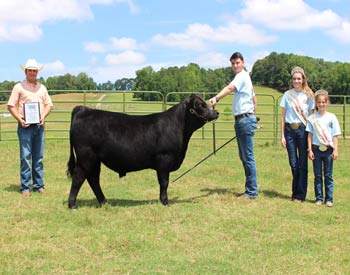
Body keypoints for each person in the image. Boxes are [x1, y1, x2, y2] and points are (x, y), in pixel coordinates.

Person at [209, 52, 258, 199]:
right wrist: (253, 115)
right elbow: (254, 98)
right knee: (244, 156)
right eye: (233, 63)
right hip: (243, 119)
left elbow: (230, 88)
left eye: (237, 62)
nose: (235, 65)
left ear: (242, 62)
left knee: (247, 156)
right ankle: (250, 190)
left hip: (244, 120)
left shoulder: (242, 76)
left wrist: (216, 98)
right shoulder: (246, 76)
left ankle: (251, 191)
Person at [7, 59, 53, 197]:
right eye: (30, 70)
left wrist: (43, 116)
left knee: (38, 157)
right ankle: (25, 187)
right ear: (26, 72)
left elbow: (49, 105)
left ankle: (39, 185)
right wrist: (20, 119)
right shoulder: (18, 87)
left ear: (37, 72)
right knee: (26, 157)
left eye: (34, 70)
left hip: (39, 126)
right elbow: (10, 105)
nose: (32, 73)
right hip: (25, 126)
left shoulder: (42, 88)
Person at [280, 66, 314, 202]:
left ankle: (299, 194)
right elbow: (283, 116)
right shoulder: (287, 95)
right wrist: (282, 135)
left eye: (299, 78)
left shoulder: (309, 95)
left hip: (303, 130)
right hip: (289, 131)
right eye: (294, 79)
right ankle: (295, 191)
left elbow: (311, 117)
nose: (296, 81)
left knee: (302, 164)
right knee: (293, 163)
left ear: (303, 79)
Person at [306, 90, 340, 207]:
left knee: (328, 175)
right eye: (319, 102)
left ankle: (329, 199)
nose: (321, 104)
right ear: (316, 103)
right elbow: (309, 135)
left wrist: (336, 149)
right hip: (316, 149)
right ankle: (319, 198)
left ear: (327, 103)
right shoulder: (312, 118)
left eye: (323, 102)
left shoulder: (332, 117)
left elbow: (335, 135)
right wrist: (309, 150)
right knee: (318, 175)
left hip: (328, 149)